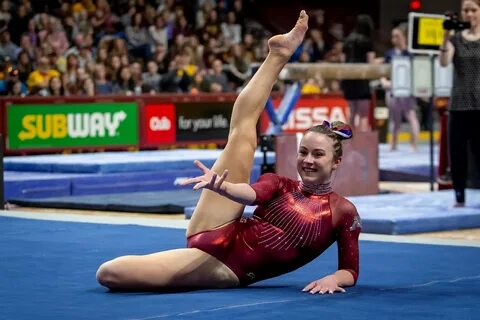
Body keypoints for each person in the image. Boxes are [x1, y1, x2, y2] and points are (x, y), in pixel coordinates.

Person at [96, 11, 361, 294]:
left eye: (317, 155)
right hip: (219, 224)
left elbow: (350, 269)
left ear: (336, 162)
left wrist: (335, 279)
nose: (307, 160)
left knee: (110, 273)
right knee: (242, 135)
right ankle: (278, 55)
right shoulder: (280, 184)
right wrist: (220, 186)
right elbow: (250, 193)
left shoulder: (343, 212)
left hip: (226, 265)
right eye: (303, 152)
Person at [439, 0, 480, 207]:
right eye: (466, 10)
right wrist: (446, 35)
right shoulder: (455, 40)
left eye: (473, 10)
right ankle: (459, 196)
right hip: (459, 105)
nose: (470, 14)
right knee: (458, 155)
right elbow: (444, 62)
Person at [381, 24, 420, 152]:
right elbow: (383, 72)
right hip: (392, 89)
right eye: (393, 36)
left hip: (406, 89)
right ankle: (393, 144)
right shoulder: (389, 54)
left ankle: (414, 144)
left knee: (411, 115)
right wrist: (384, 82)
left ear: (404, 37)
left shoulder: (410, 54)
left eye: (397, 36)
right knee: (394, 118)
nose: (394, 39)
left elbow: (415, 73)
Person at [341, 15, 376, 132]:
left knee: (351, 113)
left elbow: (342, 60)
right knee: (363, 115)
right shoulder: (367, 41)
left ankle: (348, 141)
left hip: (349, 79)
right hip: (362, 79)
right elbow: (370, 62)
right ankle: (362, 143)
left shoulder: (347, 40)